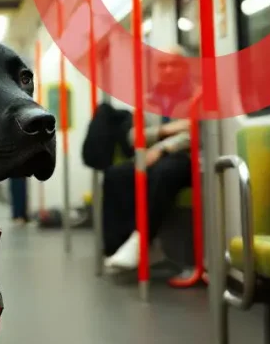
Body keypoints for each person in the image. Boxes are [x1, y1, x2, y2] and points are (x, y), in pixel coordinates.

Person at [82, 44, 196, 271]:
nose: (168, 70)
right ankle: (117, 246)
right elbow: (135, 137)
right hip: (154, 157)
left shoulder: (197, 95)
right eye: (162, 65)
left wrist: (163, 148)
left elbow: (196, 132)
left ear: (185, 68)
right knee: (116, 175)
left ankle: (141, 239)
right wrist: (167, 130)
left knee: (165, 170)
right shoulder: (148, 99)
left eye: (174, 65)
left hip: (188, 160)